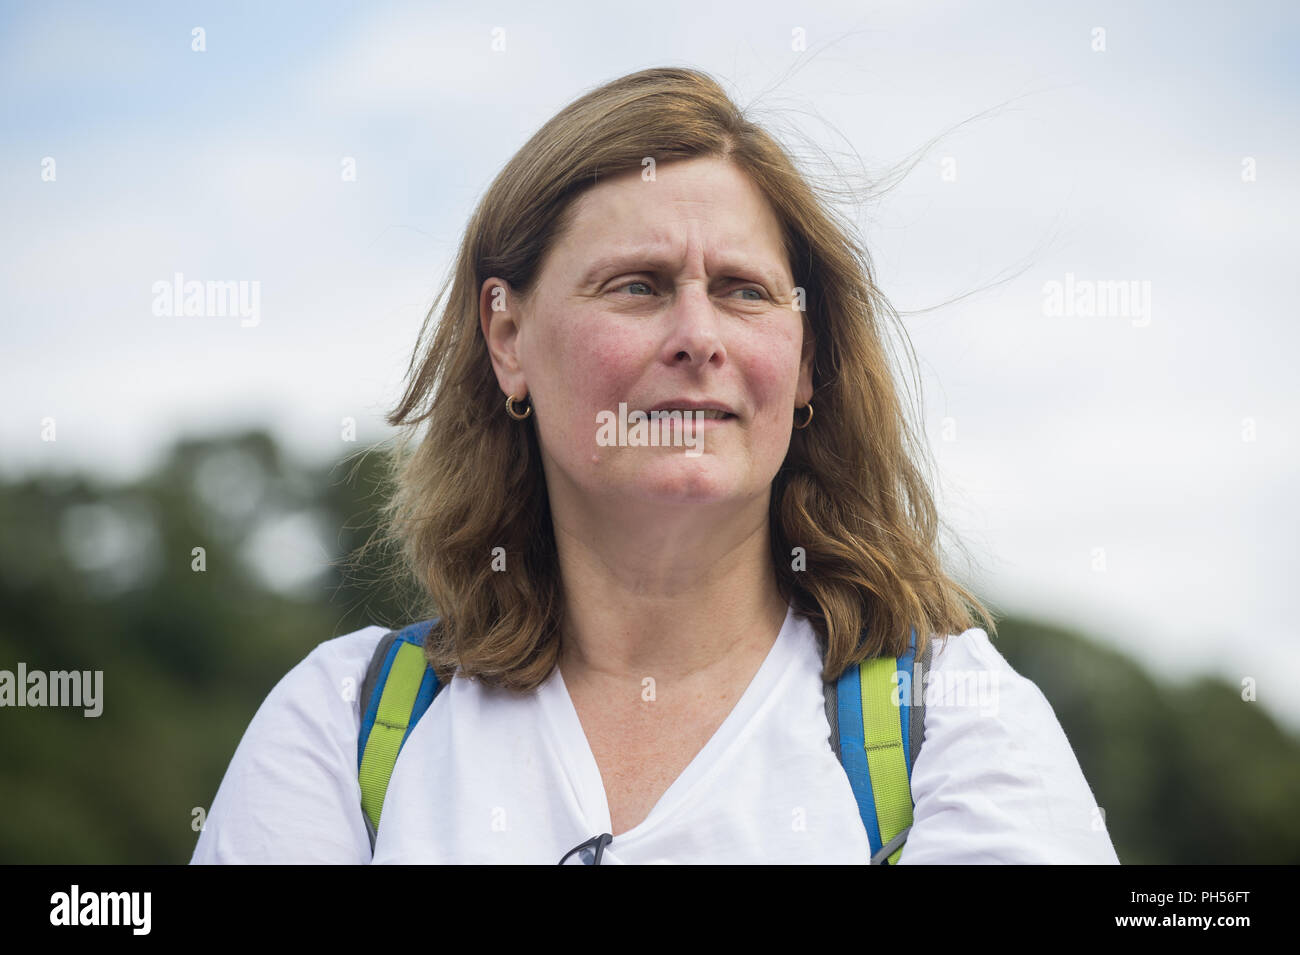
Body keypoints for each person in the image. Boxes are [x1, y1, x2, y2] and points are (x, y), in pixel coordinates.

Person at [190, 66, 1119, 865]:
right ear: (507, 336)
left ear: (805, 369)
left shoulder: (955, 727)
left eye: (743, 291)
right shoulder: (344, 725)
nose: (697, 336)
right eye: (637, 285)